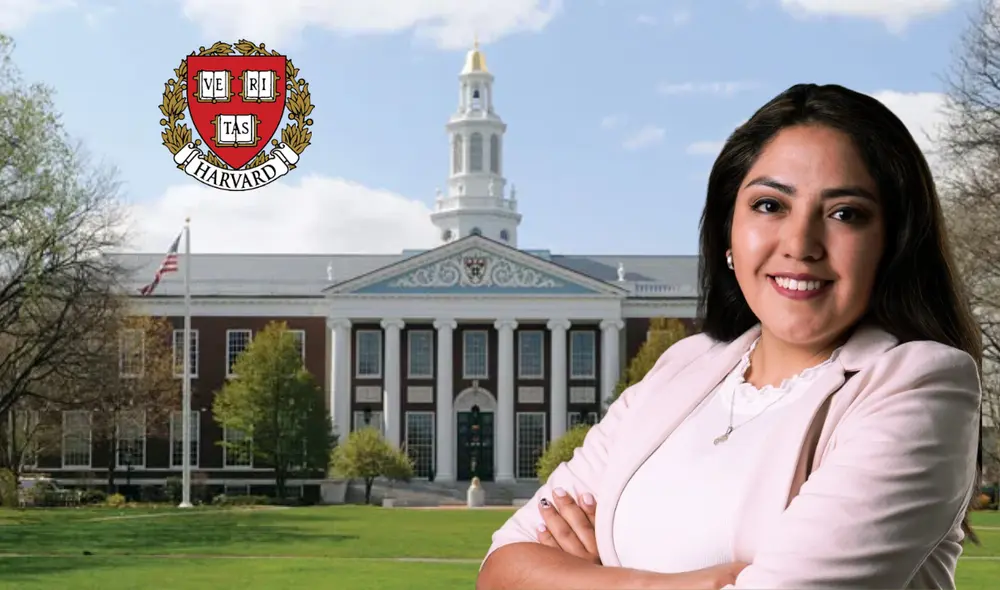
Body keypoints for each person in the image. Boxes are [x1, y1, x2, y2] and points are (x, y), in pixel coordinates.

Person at [476, 83, 983, 590]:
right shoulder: (681, 368)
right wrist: (676, 585)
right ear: (728, 234)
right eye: (770, 205)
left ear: (892, 244)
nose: (800, 244)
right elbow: (500, 572)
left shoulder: (918, 385)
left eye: (844, 213)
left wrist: (586, 575)